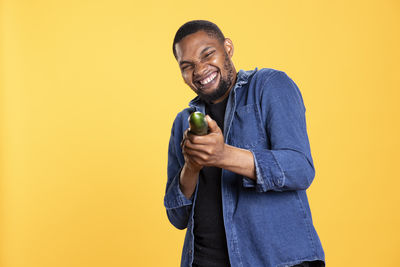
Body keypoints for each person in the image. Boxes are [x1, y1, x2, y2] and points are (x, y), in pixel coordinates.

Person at [164, 20, 325, 267]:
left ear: (227, 47)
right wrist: (192, 167)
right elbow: (177, 216)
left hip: (276, 261)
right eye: (187, 66)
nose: (199, 70)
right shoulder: (183, 123)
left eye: (207, 54)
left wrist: (223, 155)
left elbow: (300, 169)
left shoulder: (269, 86)